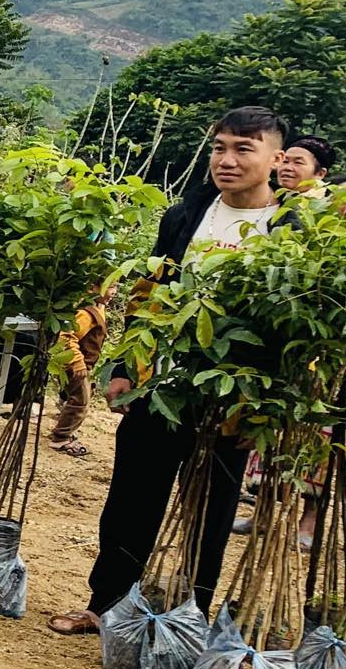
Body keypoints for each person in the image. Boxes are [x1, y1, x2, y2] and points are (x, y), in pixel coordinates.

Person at [49, 106, 289, 635]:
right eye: (219, 147)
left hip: (233, 395)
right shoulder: (185, 216)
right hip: (163, 386)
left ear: (275, 158)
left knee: (211, 509)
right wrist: (125, 367)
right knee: (132, 497)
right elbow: (149, 297)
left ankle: (188, 615)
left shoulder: (290, 229)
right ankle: (105, 601)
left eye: (243, 149)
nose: (227, 160)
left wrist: (265, 406)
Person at [234, 132, 338, 545]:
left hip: (314, 349)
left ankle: (307, 522)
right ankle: (261, 511)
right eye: (286, 160)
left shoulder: (330, 217)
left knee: (314, 434)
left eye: (300, 162)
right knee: (268, 429)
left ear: (321, 173)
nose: (288, 168)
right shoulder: (273, 209)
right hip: (277, 343)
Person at [47, 283, 116, 458]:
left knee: (78, 397)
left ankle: (64, 431)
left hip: (84, 364)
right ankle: (60, 438)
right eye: (110, 286)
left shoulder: (98, 308)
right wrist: (77, 362)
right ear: (93, 288)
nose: (114, 292)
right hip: (75, 365)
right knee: (81, 401)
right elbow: (66, 336)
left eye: (116, 286)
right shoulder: (86, 314)